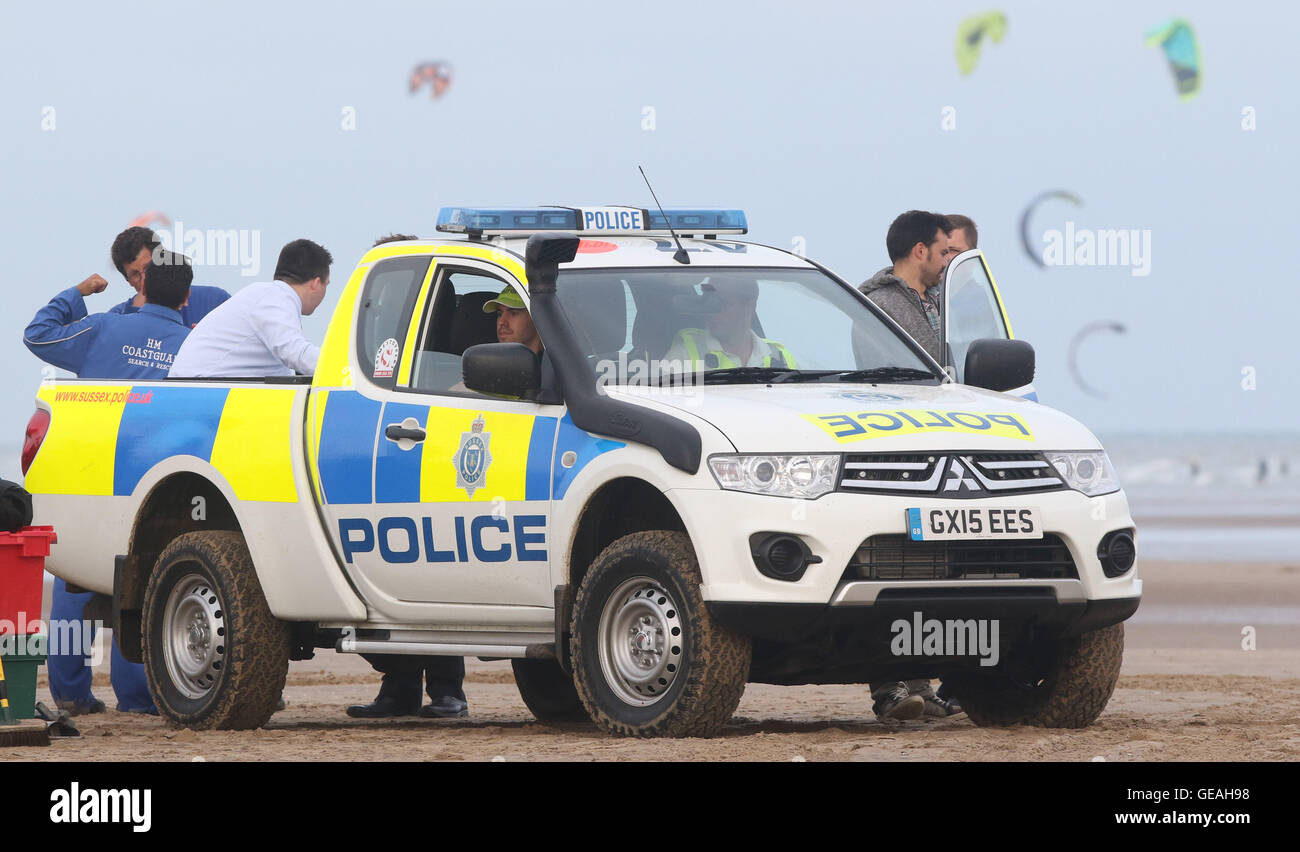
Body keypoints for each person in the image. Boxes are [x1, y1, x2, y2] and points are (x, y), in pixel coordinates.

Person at [23, 250, 195, 715]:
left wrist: (77, 293)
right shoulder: (193, 346)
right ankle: (136, 697)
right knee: (141, 582)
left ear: (140, 287)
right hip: (150, 481)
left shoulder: (103, 328)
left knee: (74, 579)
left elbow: (37, 334)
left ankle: (72, 694)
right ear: (185, 297)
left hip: (87, 473)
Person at [347, 234, 468, 720]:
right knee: (393, 571)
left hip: (442, 455)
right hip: (395, 456)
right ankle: (397, 690)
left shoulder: (442, 328)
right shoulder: (388, 327)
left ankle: (447, 691)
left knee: (435, 576)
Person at [169, 239, 331, 378]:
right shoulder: (276, 297)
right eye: (327, 284)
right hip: (200, 391)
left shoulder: (266, 296)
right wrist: (347, 367)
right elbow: (297, 354)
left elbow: (283, 370)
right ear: (316, 283)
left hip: (197, 388)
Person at [858, 211, 951, 364]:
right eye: (943, 253)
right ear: (920, 251)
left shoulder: (943, 297)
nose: (946, 263)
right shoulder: (878, 308)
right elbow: (878, 373)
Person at [105, 226, 230, 328]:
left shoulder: (215, 301)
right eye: (135, 275)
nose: (145, 279)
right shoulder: (117, 319)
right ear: (129, 281)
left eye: (148, 267)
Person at [663, 279, 795, 369]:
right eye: (709, 302)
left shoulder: (781, 358)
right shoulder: (682, 356)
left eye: (722, 303)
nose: (712, 310)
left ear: (750, 306)